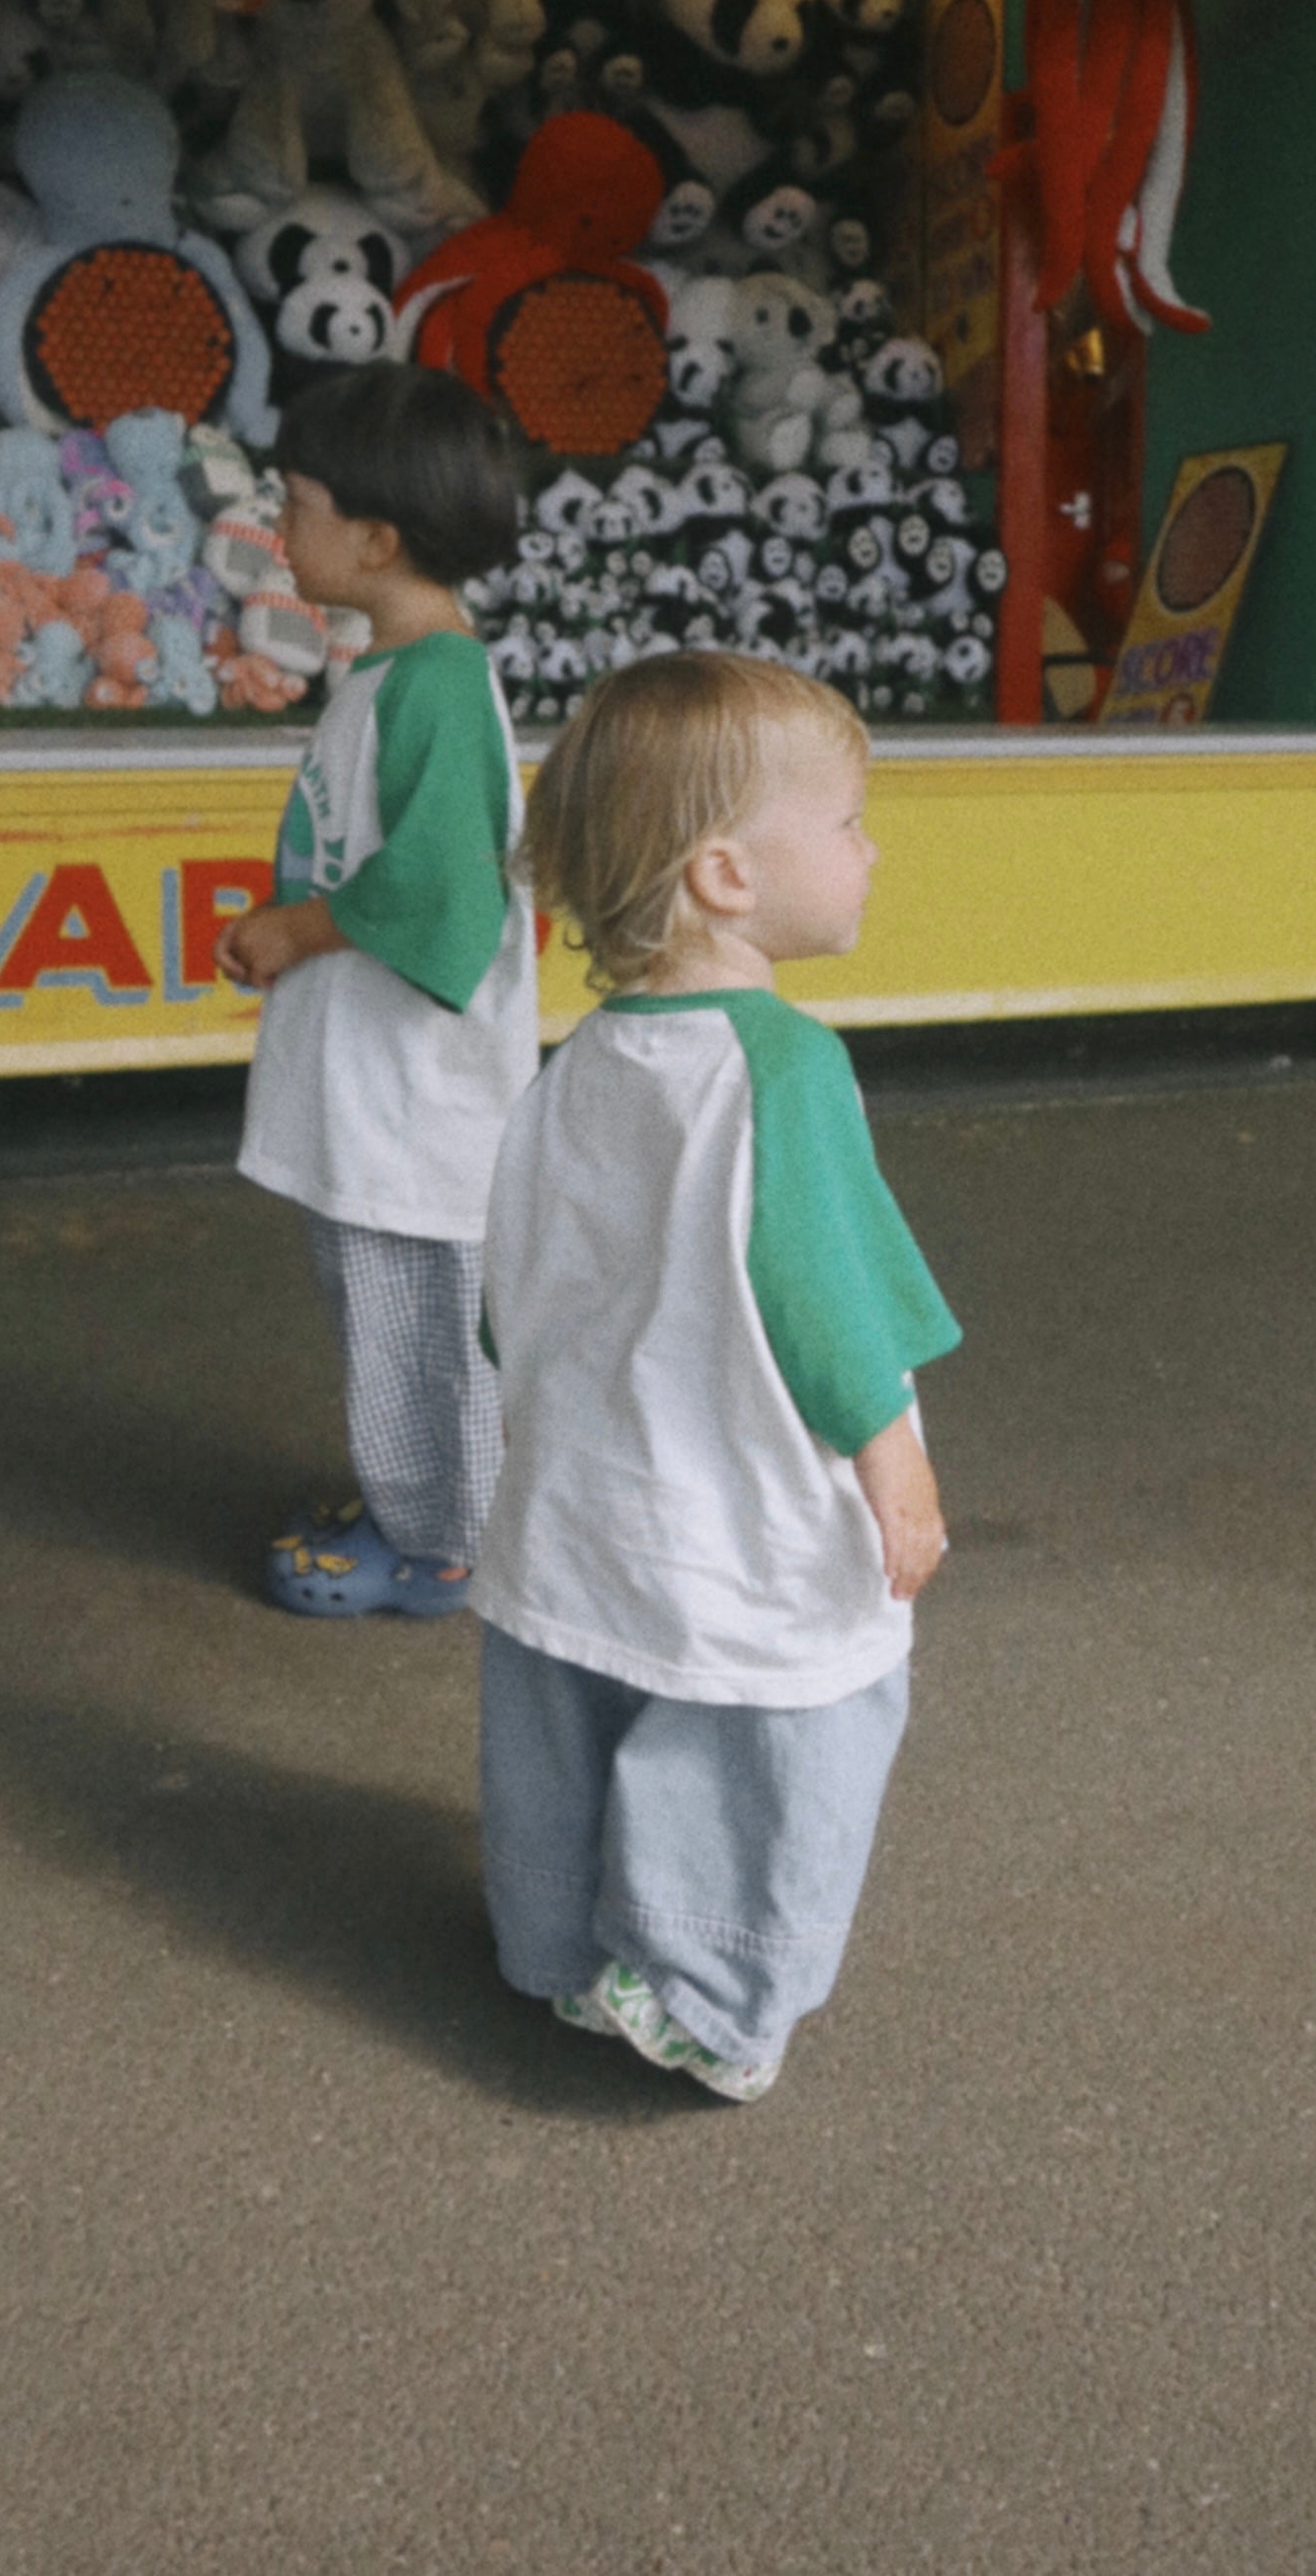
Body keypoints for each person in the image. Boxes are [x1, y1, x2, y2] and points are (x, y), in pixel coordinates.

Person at [468, 650, 961, 2101]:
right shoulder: (783, 1067)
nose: (872, 847)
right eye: (852, 818)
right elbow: (826, 1302)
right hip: (739, 1505)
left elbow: (509, 1300)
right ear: (727, 875)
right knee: (768, 1735)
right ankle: (706, 1988)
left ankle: (558, 1944)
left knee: (577, 1710)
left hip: (581, 1502)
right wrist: (896, 1467)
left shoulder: (574, 1067)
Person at [213, 364, 536, 1618]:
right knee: (394, 1314)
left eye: (295, 504)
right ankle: (420, 1506)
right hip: (383, 1086)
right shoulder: (398, 672)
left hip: (415, 1104)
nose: (277, 532)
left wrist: (298, 928)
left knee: (419, 1327)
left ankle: (441, 1542)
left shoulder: (438, 683)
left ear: (376, 535)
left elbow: (447, 898)